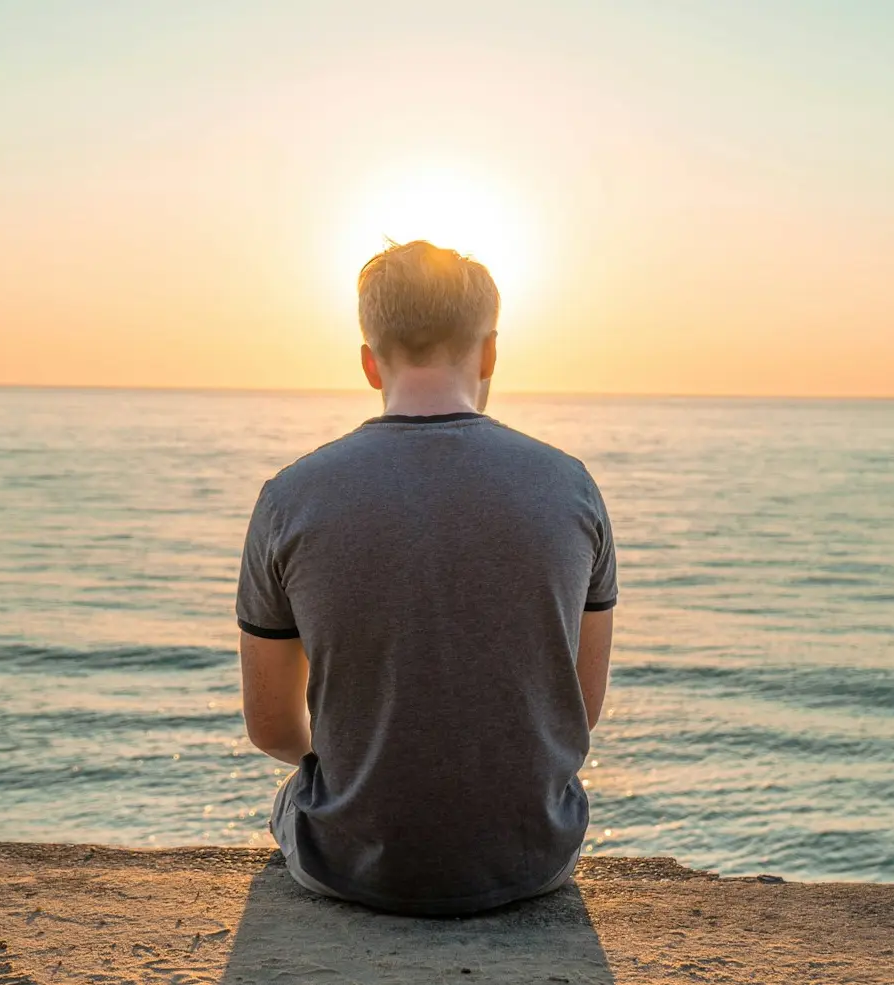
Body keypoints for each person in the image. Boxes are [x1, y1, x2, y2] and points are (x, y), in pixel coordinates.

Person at [234, 240, 618, 916]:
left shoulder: (289, 497)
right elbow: (576, 711)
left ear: (366, 362)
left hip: (348, 863)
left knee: (300, 792)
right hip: (532, 858)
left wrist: (367, 755)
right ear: (490, 351)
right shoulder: (571, 488)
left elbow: (270, 725)